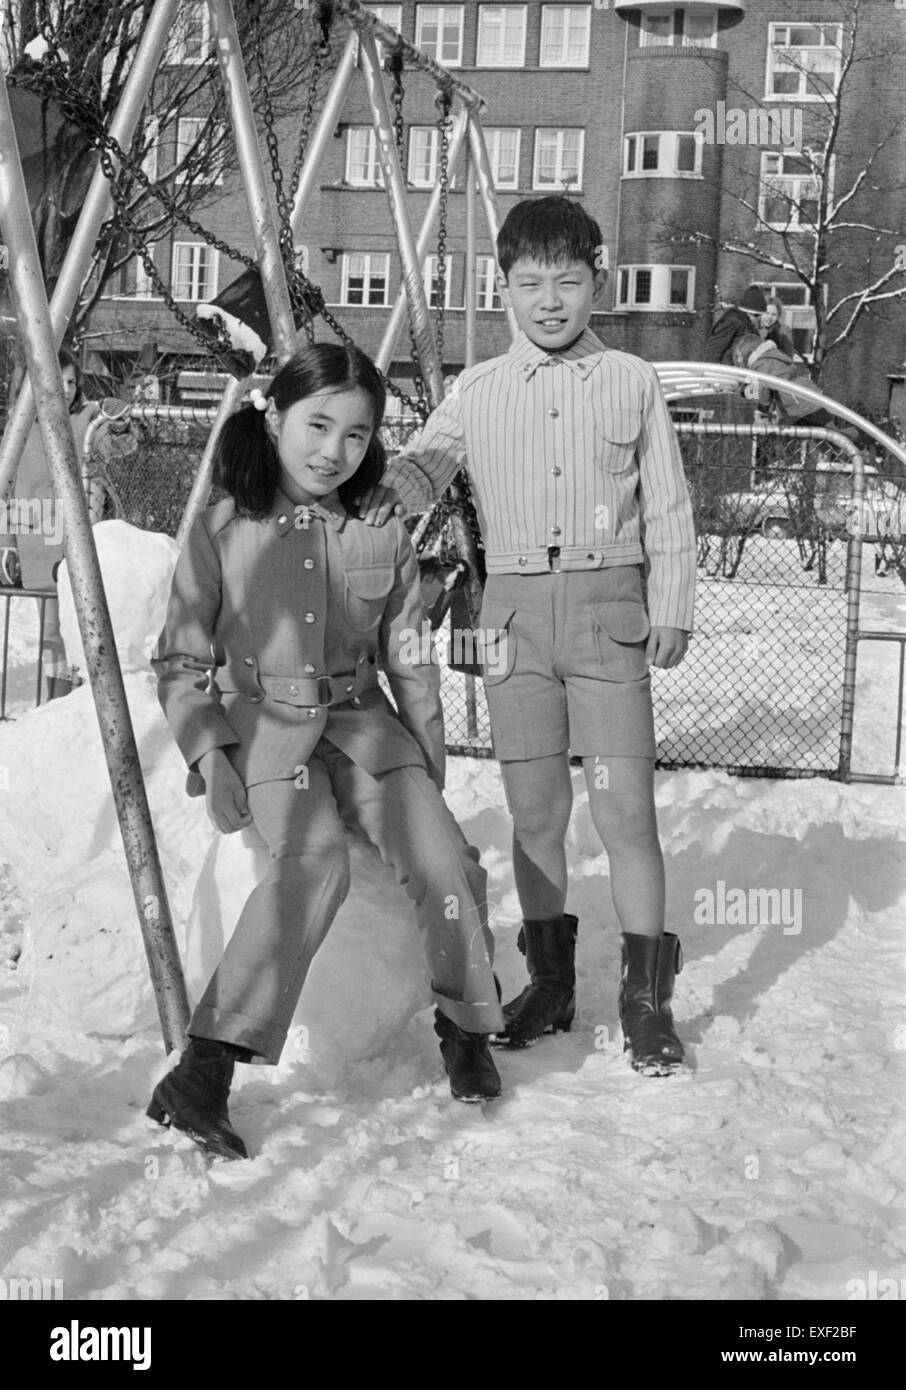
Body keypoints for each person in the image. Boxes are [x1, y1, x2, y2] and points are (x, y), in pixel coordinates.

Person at [149, 343, 504, 1162]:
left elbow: (409, 654)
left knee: (446, 862)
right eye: (316, 425)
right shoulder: (224, 524)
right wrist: (211, 758)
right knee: (312, 864)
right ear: (274, 419)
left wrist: (425, 772)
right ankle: (203, 1070)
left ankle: (465, 1025)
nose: (332, 451)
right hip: (267, 730)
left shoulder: (379, 526)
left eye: (355, 434)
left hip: (363, 726)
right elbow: (179, 659)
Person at [373, 197, 696, 1076]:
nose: (549, 301)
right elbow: (414, 478)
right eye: (529, 284)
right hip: (511, 620)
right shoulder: (475, 390)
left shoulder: (631, 380)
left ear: (597, 280)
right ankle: (549, 986)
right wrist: (333, 472)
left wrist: (671, 603)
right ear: (505, 289)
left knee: (626, 809)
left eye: (567, 281)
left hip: (609, 614)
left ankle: (644, 1003)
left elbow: (667, 504)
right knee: (537, 812)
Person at [0, 349, 134, 698]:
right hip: (35, 536)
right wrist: (6, 542)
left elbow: (120, 445)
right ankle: (56, 697)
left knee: (74, 624)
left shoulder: (84, 418)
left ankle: (67, 698)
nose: (67, 388)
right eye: (60, 380)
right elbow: (5, 487)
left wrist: (119, 423)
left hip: (76, 533)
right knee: (52, 629)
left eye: (73, 381)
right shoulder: (20, 426)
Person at [703, 284, 767, 364]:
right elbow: (714, 349)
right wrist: (712, 372)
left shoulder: (749, 326)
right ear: (748, 313)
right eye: (757, 315)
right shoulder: (733, 322)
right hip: (727, 372)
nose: (758, 319)